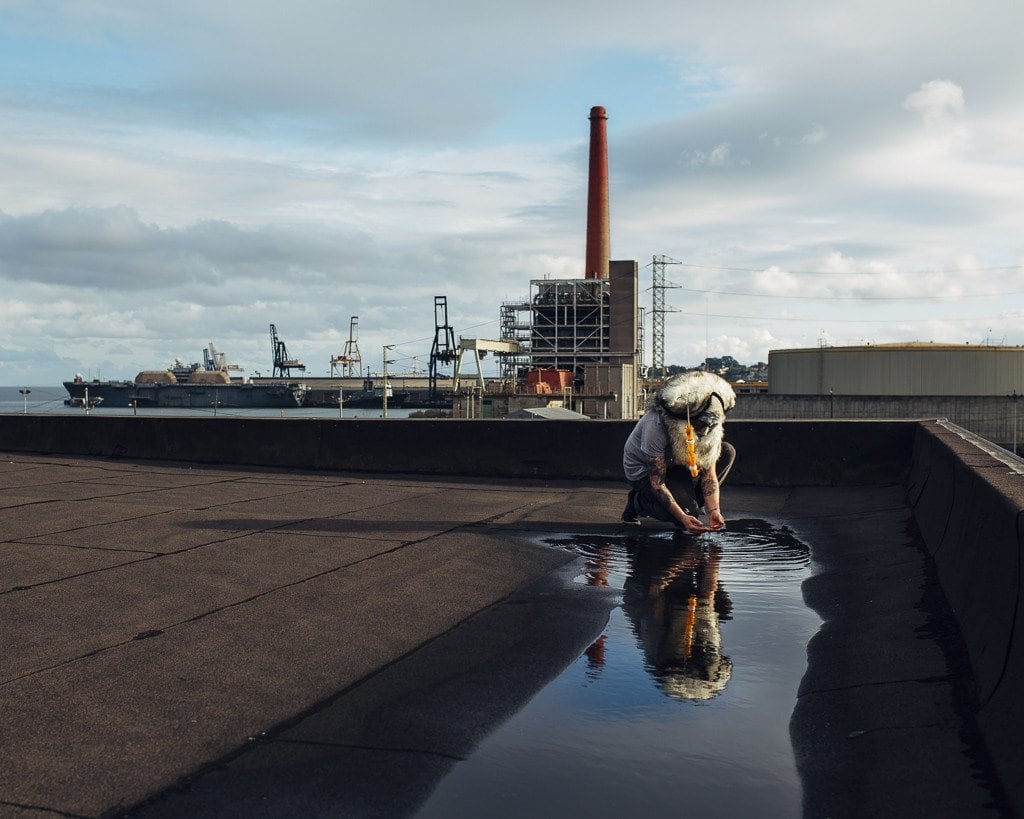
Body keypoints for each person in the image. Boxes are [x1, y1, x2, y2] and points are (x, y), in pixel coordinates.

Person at [621, 371, 737, 532]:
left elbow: (709, 476)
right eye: (701, 424)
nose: (706, 430)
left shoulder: (711, 426)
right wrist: (682, 517)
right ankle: (638, 502)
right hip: (645, 472)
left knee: (726, 452)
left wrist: (714, 510)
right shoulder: (656, 425)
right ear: (688, 418)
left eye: (712, 425)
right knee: (683, 516)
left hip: (677, 465)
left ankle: (691, 507)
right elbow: (657, 483)